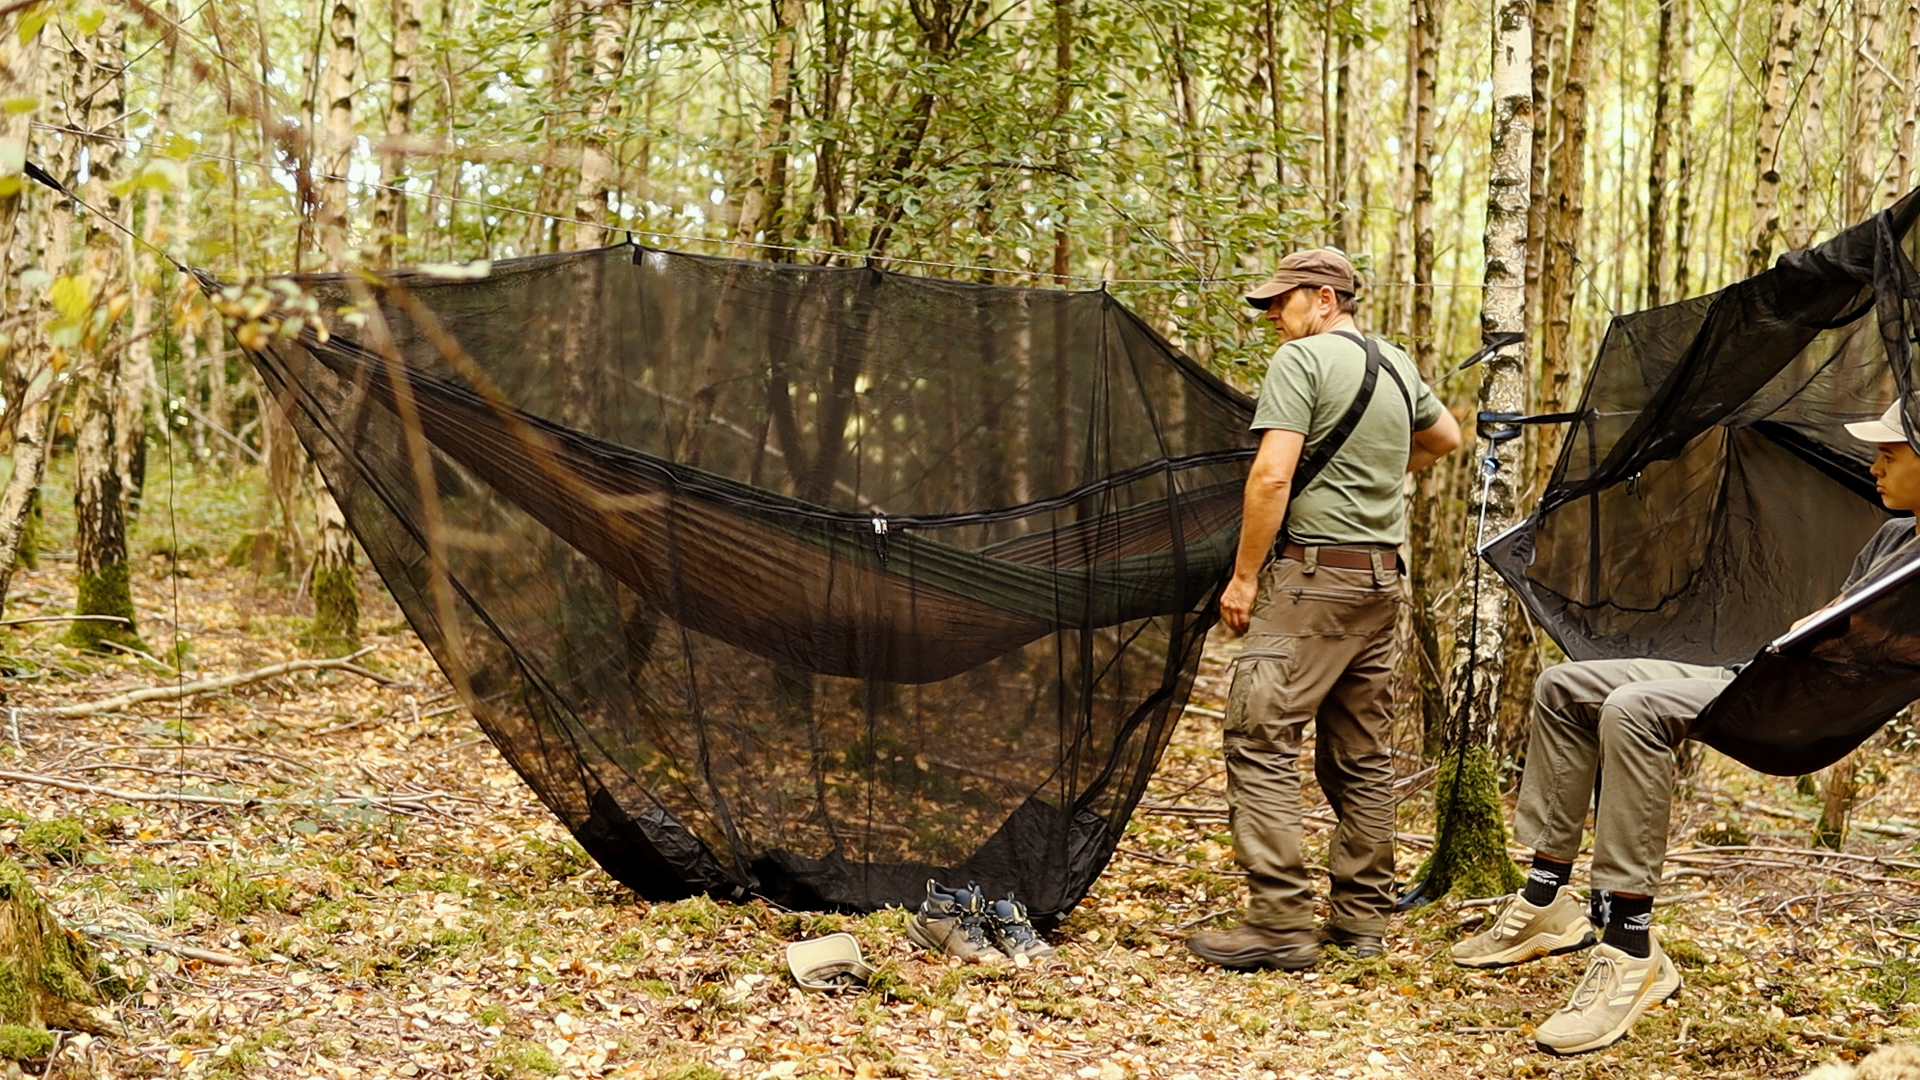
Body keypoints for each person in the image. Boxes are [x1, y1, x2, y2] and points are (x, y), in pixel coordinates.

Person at [1451, 396, 1920, 1056]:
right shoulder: (1894, 535)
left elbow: (1876, 649)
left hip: (1797, 709)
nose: (1873, 466)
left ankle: (1629, 946)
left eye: (1889, 455)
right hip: (1755, 675)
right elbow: (1836, 615)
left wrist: (1841, 631)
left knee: (1633, 710)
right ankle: (1547, 897)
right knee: (1563, 687)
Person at [1187, 248, 1462, 972]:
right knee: (1363, 755)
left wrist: (1244, 577)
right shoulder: (1395, 363)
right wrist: (1376, 475)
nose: (1273, 317)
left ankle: (1279, 921)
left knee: (1259, 736)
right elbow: (1446, 438)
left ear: (1324, 298)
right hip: (1380, 582)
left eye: (1282, 302)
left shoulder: (1302, 362)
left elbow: (1272, 477)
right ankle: (1361, 922)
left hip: (1312, 583)